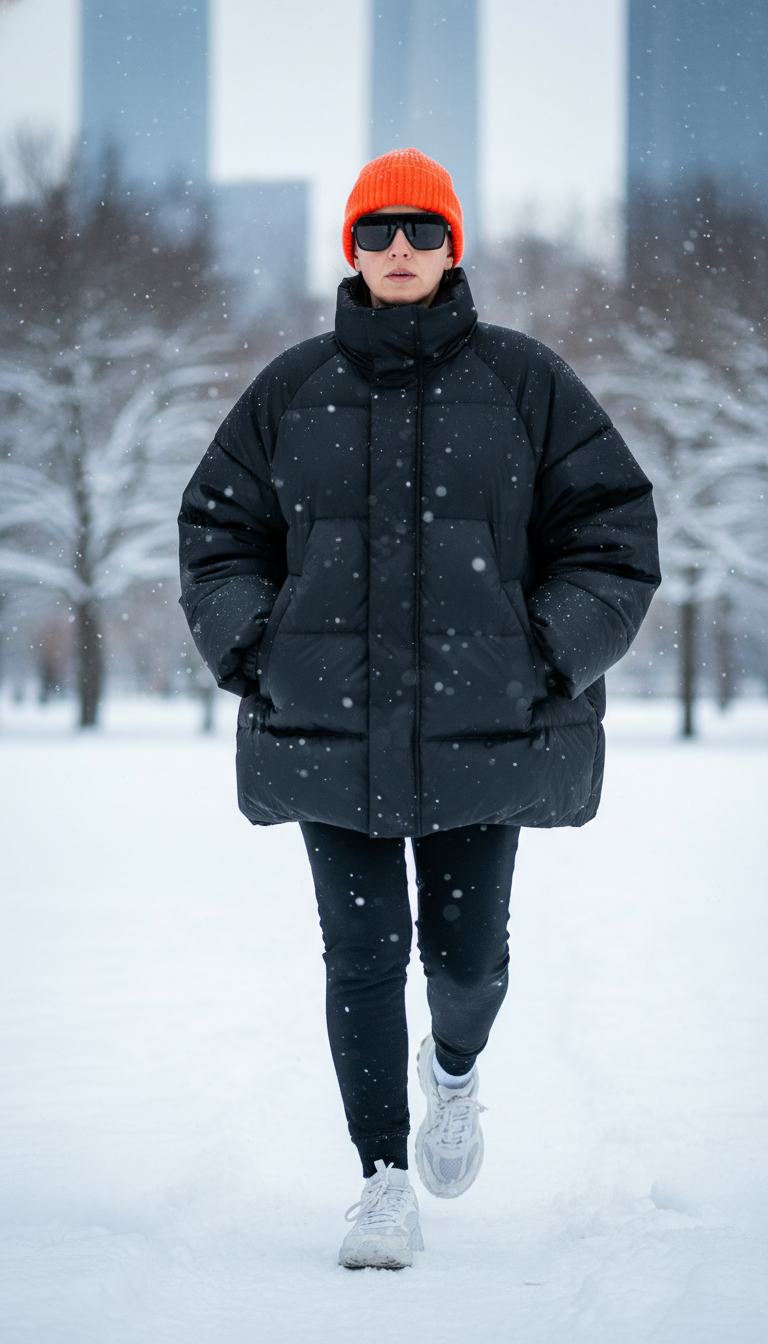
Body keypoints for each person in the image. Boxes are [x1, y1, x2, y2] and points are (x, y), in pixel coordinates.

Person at [178, 148, 660, 1270]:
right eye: (380, 230)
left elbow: (613, 534)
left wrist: (545, 652)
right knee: (359, 954)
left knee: (466, 960)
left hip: (481, 735)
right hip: (333, 731)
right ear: (351, 246)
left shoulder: (527, 383)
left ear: (454, 244)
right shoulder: (292, 390)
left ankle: (453, 1071)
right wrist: (260, 646)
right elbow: (218, 532)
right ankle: (380, 1179)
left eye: (424, 230)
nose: (402, 249)